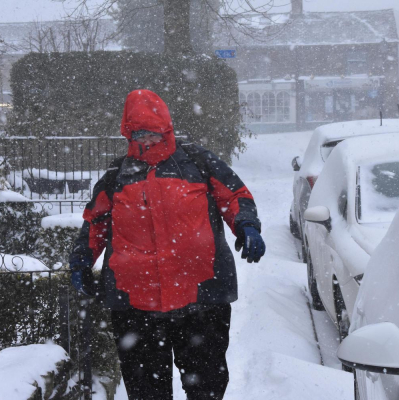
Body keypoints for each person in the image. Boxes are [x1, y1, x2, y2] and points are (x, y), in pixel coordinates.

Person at [68, 89, 265, 400]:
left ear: (167, 130)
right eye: (139, 133)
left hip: (201, 298)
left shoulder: (198, 161)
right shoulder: (116, 177)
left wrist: (247, 226)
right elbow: (95, 223)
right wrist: (81, 261)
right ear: (128, 134)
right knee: (146, 392)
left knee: (206, 388)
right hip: (136, 305)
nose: (147, 140)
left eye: (153, 132)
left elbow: (235, 196)